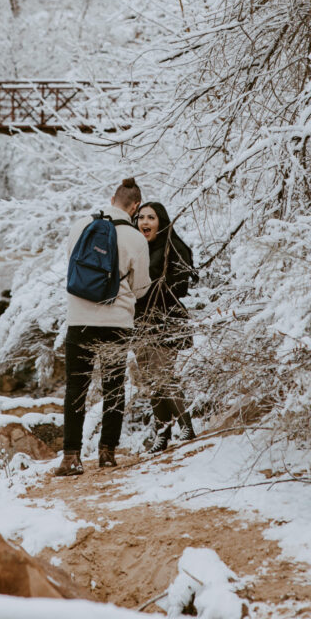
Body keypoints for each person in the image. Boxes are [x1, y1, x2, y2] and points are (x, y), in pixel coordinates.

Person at [55, 178, 150, 476]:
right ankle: (107, 453)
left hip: (79, 320)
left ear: (112, 198)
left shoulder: (81, 225)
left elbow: (71, 265)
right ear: (135, 207)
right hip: (116, 323)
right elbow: (141, 287)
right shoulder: (136, 238)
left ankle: (70, 458)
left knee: (76, 389)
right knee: (112, 387)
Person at [135, 201, 197, 452]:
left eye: (151, 217)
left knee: (163, 373)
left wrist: (157, 288)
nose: (145, 222)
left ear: (161, 221)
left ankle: (187, 426)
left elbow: (183, 282)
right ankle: (162, 435)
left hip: (166, 318)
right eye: (141, 217)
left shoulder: (173, 245)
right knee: (151, 378)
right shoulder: (136, 248)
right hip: (139, 321)